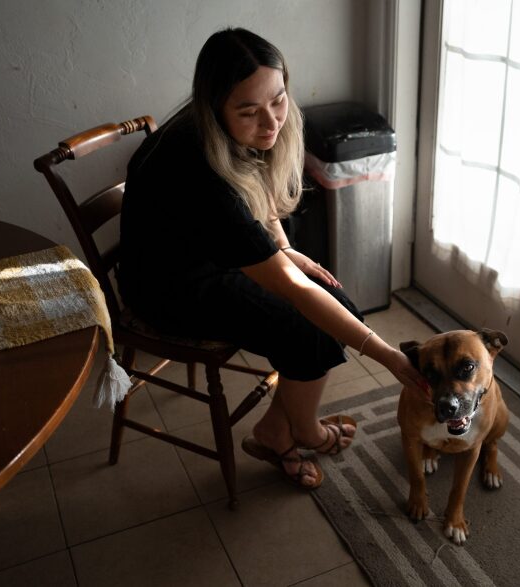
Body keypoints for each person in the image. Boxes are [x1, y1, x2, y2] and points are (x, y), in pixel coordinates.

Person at [119, 27, 424, 489]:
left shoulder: (225, 133)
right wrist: (386, 356)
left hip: (204, 253)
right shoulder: (202, 177)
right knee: (311, 332)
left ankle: (274, 429)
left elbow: (255, 192)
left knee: (338, 306)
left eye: (278, 100)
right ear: (215, 105)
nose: (272, 122)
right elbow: (291, 285)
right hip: (170, 288)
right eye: (249, 111)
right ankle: (299, 431)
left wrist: (283, 250)